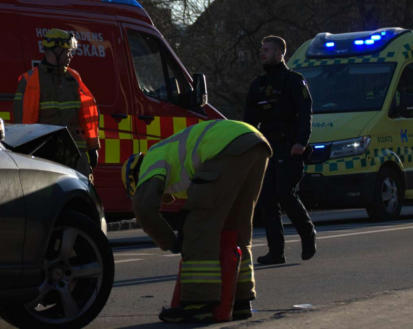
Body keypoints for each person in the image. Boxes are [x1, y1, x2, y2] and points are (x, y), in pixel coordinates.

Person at [121, 120, 272, 323]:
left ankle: (197, 305)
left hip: (226, 148)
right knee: (235, 230)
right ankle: (239, 301)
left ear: (135, 178)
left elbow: (144, 209)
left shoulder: (150, 160)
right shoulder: (172, 155)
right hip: (256, 143)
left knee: (198, 228)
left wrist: (171, 242)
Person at [243, 35, 317, 265]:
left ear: (279, 53)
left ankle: (308, 234)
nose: (262, 53)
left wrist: (301, 142)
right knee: (266, 199)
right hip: (267, 149)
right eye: (261, 49)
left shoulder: (294, 80)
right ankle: (276, 252)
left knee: (285, 193)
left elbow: (305, 113)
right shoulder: (258, 84)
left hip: (289, 146)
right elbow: (250, 120)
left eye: (266, 49)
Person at [13, 28, 100, 176]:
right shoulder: (29, 81)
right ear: (57, 50)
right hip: (46, 155)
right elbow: (22, 121)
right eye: (68, 51)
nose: (71, 55)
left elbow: (87, 115)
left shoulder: (73, 78)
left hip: (76, 155)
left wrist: (92, 148)